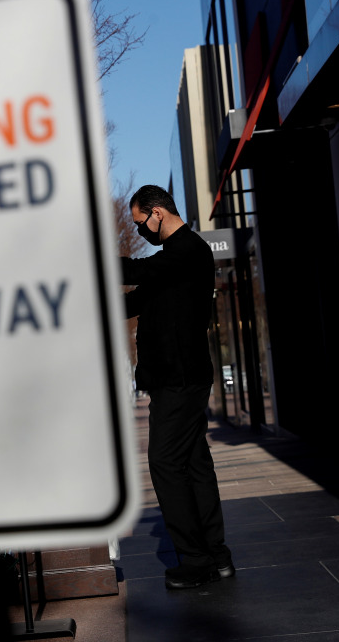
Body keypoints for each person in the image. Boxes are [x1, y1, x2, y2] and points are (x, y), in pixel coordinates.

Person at [122, 185, 233, 589]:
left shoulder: (188, 251)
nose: (140, 233)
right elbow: (136, 300)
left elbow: (140, 272)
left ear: (157, 213)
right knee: (195, 465)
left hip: (180, 380)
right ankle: (217, 557)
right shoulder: (171, 260)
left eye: (140, 224)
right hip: (176, 379)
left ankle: (196, 559)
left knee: (165, 464)